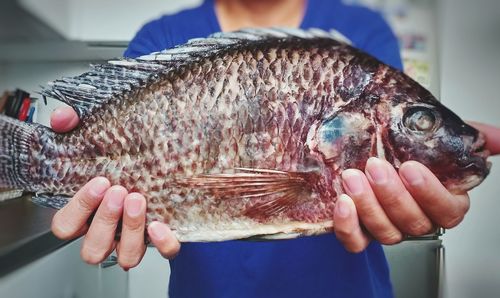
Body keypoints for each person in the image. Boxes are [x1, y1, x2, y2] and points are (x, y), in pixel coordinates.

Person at [49, 0, 500, 297]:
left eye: (421, 120)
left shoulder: (364, 29)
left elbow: (388, 192)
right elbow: (114, 174)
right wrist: (75, 181)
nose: (425, 127)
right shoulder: (162, 34)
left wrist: (424, 185)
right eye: (421, 120)